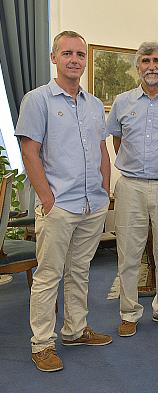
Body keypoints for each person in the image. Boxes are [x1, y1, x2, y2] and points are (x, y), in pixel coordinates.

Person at [15, 30, 112, 372]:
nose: (75, 59)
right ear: (54, 58)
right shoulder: (37, 99)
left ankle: (74, 329)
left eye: (80, 54)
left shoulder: (94, 104)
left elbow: (101, 149)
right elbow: (30, 152)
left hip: (91, 204)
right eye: (67, 53)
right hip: (59, 206)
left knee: (80, 271)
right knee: (48, 275)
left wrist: (104, 190)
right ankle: (42, 343)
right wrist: (46, 198)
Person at [106, 41, 158, 338]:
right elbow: (116, 140)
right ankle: (128, 312)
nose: (152, 66)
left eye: (157, 61)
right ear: (137, 66)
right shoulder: (122, 102)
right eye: (146, 61)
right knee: (128, 253)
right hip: (130, 186)